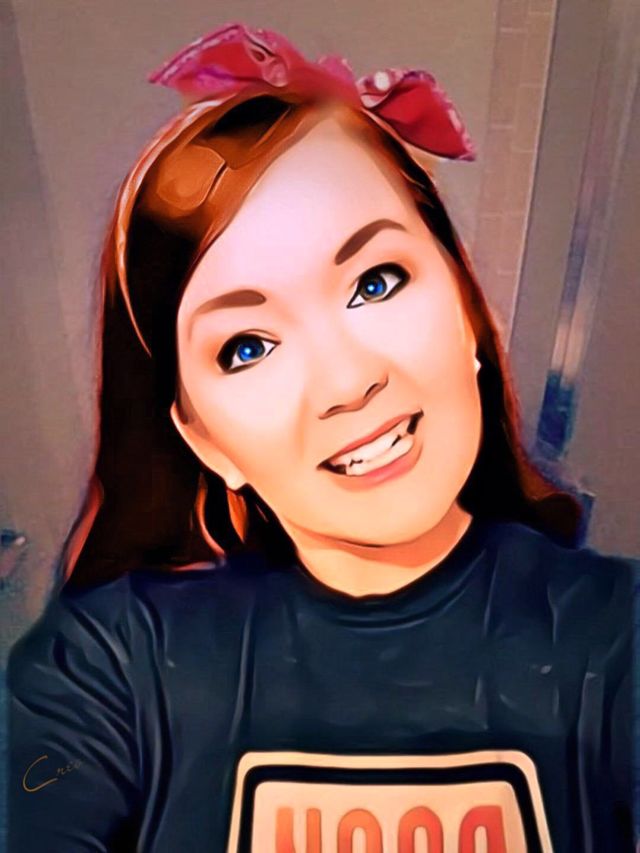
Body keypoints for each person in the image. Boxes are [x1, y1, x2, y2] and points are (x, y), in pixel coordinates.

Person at [7, 22, 638, 852]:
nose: (347, 383)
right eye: (247, 347)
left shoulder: (617, 635)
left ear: (466, 315)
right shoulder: (105, 665)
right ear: (204, 439)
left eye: (376, 281)